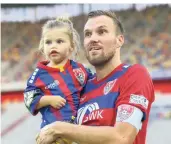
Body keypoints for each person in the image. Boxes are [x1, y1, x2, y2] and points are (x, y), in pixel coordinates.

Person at [36, 10, 155, 144]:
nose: (93, 38)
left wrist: (59, 129)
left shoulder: (134, 74)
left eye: (102, 32)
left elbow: (122, 138)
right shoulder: (81, 86)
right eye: (88, 34)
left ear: (119, 40)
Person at [23, 17, 94, 144]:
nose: (53, 46)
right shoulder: (39, 74)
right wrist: (48, 100)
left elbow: (94, 86)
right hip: (53, 134)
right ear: (42, 46)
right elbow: (28, 98)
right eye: (48, 42)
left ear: (71, 46)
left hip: (80, 131)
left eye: (59, 41)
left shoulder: (80, 69)